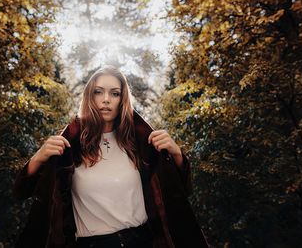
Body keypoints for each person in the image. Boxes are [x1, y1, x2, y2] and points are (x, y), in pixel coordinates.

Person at [13, 66, 209, 248]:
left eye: (114, 93)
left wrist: (176, 153)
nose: (106, 99)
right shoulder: (69, 145)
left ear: (122, 99)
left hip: (143, 241)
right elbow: (23, 191)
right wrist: (39, 157)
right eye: (98, 92)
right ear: (89, 96)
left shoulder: (140, 142)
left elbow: (180, 191)